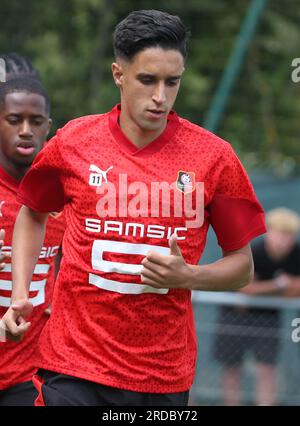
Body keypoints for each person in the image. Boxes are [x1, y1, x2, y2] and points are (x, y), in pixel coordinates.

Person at [2, 10, 266, 406]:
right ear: (118, 75)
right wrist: (21, 293)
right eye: (148, 80)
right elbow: (33, 212)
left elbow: (242, 267)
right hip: (73, 367)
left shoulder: (215, 158)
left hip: (161, 375)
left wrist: (189, 275)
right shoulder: (74, 142)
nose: (160, 96)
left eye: (171, 82)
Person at [0, 53, 65, 406]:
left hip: (33, 374)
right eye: (14, 119)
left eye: (35, 120)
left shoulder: (65, 192)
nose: (25, 129)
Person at [214, 207, 300, 406]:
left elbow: (295, 289)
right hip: (234, 316)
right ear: (269, 232)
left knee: (267, 369)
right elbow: (246, 288)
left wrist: (267, 289)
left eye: (289, 235)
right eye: (280, 233)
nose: (284, 240)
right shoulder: (255, 252)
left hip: (268, 318)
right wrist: (278, 286)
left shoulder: (296, 254)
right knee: (232, 367)